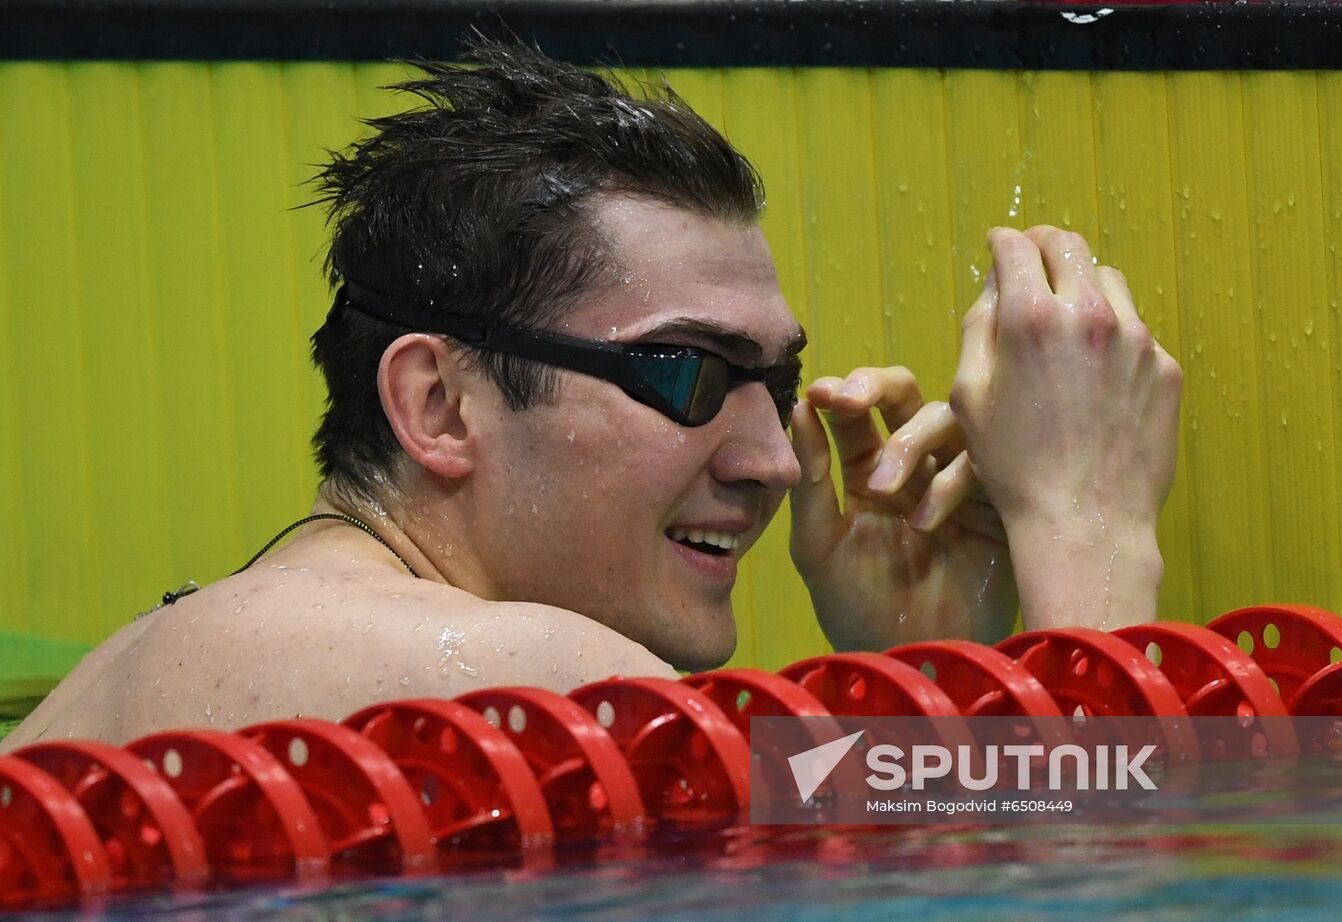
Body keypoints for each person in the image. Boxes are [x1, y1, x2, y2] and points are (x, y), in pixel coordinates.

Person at [0, 43, 1180, 751]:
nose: (774, 459)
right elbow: (1100, 892)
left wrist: (918, 664)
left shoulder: (199, 644)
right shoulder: (495, 675)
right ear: (438, 404)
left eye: (773, 381)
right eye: (686, 371)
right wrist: (1087, 523)